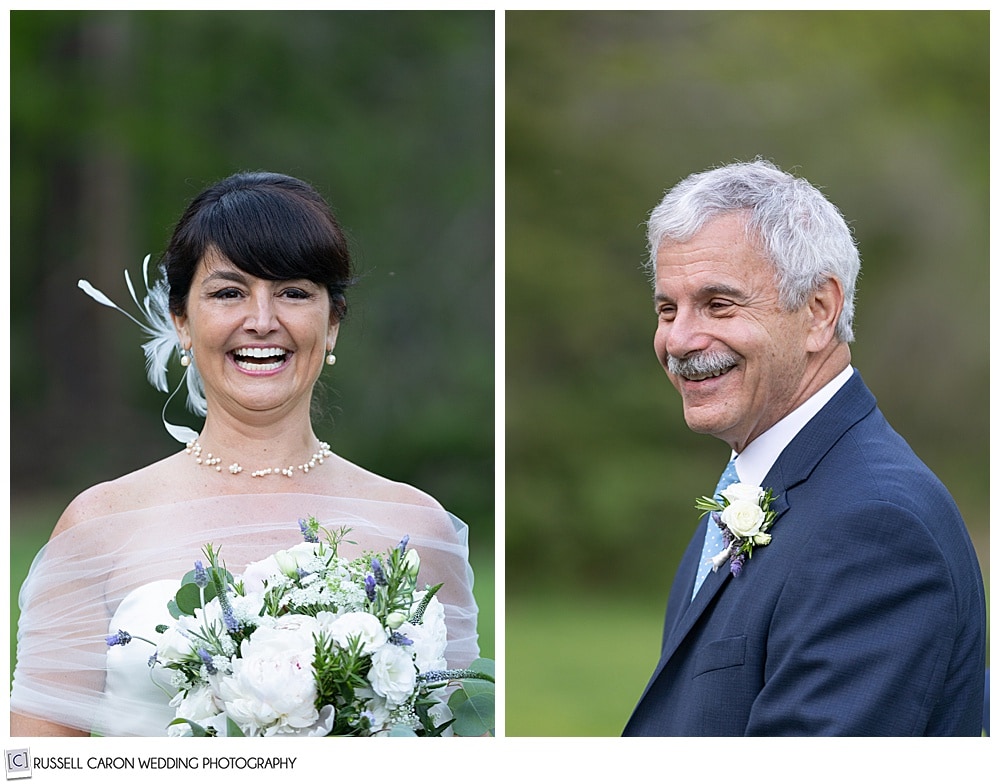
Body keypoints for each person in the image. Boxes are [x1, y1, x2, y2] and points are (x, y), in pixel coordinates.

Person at [10, 171, 480, 736]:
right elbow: (34, 763)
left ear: (331, 324)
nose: (262, 321)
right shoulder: (99, 527)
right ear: (182, 320)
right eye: (229, 292)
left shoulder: (418, 528)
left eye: (294, 293)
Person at [622, 159, 986, 736]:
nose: (679, 340)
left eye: (719, 305)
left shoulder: (875, 527)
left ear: (819, 311)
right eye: (668, 309)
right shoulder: (759, 483)